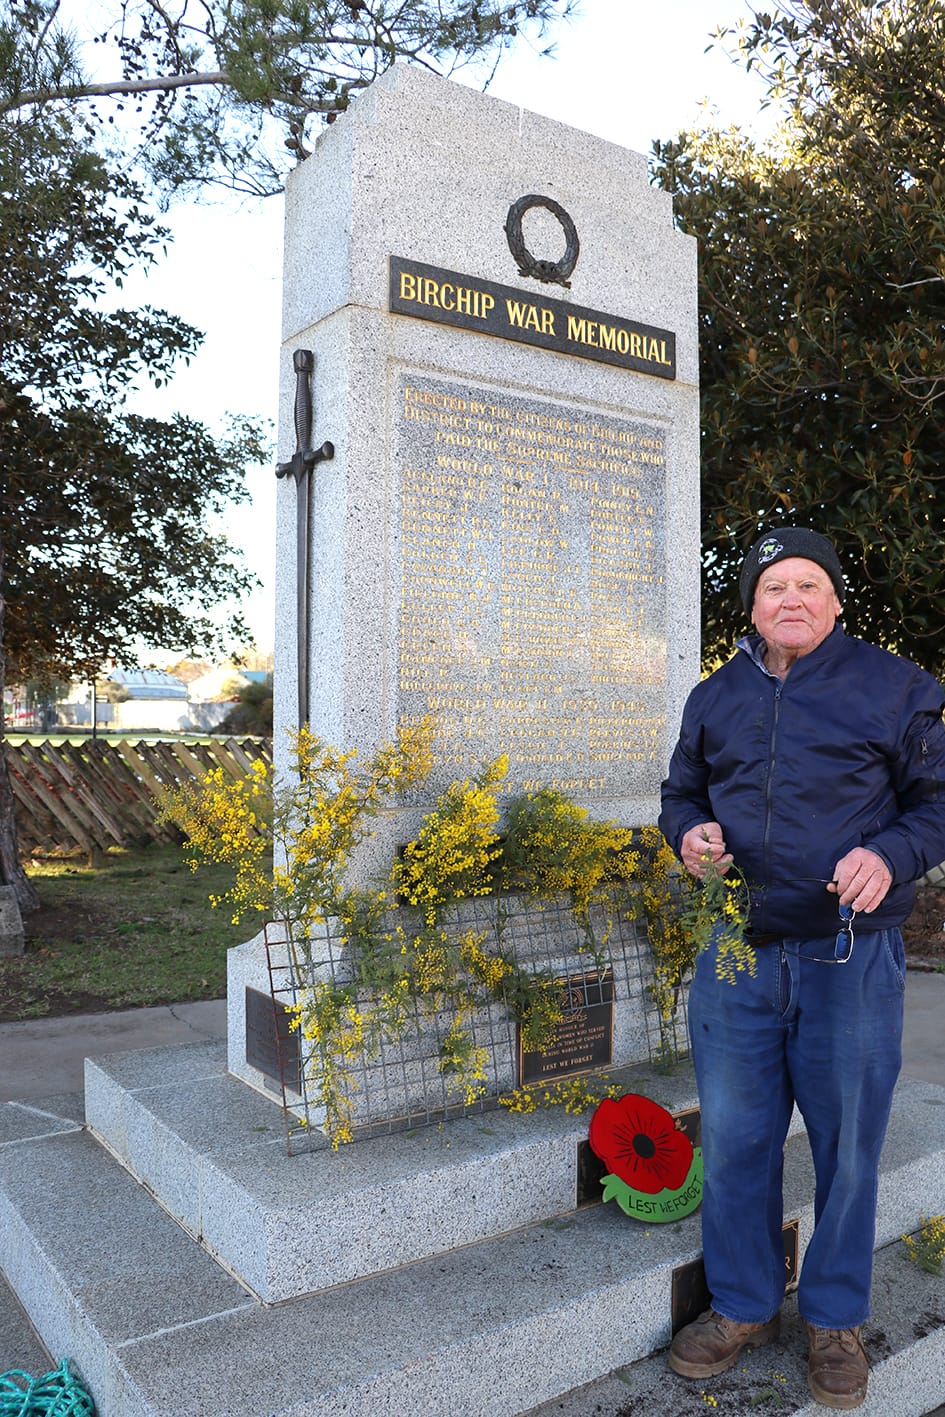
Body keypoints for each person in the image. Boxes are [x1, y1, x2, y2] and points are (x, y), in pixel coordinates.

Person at [658, 526, 945, 1410]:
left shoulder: (896, 686)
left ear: (832, 600)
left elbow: (937, 803)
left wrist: (891, 857)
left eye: (808, 584)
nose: (791, 599)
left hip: (847, 957)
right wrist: (687, 835)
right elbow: (681, 792)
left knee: (847, 1148)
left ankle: (832, 1318)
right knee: (739, 1141)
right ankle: (743, 1302)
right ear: (750, 604)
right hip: (737, 953)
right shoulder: (714, 695)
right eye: (773, 585)